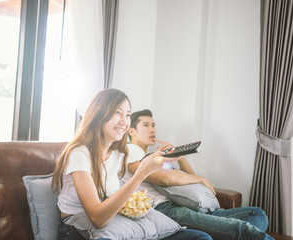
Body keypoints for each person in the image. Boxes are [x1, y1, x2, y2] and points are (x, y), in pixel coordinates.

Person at [52, 89, 213, 240]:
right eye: (117, 112)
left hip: (130, 212)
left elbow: (169, 172)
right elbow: (165, 178)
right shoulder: (126, 152)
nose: (124, 121)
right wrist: (198, 178)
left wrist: (177, 159)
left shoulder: (120, 152)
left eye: (127, 115)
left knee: (202, 237)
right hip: (78, 226)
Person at [122, 109, 274, 240]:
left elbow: (186, 178)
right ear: (132, 131)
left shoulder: (152, 157)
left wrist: (179, 156)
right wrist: (201, 179)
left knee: (256, 213)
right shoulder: (131, 151)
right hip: (163, 208)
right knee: (241, 229)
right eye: (146, 125)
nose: (152, 129)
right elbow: (166, 179)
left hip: (177, 203)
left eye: (153, 125)